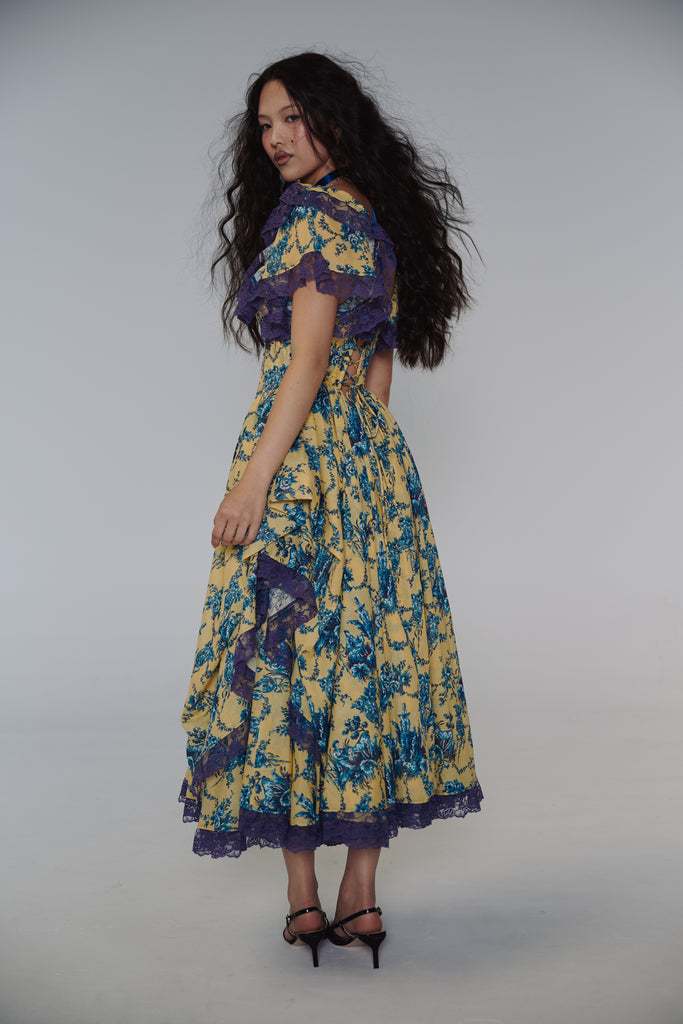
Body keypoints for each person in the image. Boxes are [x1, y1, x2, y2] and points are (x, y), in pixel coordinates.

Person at [179, 51, 484, 969]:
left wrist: (255, 481)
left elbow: (306, 363)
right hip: (367, 464)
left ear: (333, 119)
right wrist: (367, 474)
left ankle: (303, 901)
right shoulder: (373, 222)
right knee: (365, 659)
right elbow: (376, 369)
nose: (275, 139)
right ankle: (362, 896)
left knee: (287, 660)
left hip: (298, 460)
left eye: (291, 119)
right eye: (264, 125)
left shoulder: (314, 219)